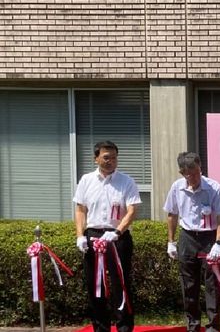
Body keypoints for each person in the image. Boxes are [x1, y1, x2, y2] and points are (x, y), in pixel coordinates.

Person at [74, 140, 141, 332]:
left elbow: (132, 210)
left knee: (122, 283)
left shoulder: (126, 181)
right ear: (96, 159)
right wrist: (80, 236)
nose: (110, 161)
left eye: (114, 157)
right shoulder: (86, 180)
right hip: (94, 237)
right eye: (106, 157)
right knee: (95, 285)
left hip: (117, 237)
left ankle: (124, 326)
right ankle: (101, 327)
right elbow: (80, 210)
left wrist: (117, 232)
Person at [164, 152, 220, 332]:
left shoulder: (214, 187)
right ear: (182, 173)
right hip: (187, 237)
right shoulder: (177, 188)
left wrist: (218, 243)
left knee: (212, 285)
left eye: (196, 173)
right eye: (189, 174)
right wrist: (171, 241)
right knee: (189, 284)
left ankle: (213, 327)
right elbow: (172, 215)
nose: (193, 177)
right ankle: (193, 325)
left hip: (209, 238)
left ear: (201, 168)